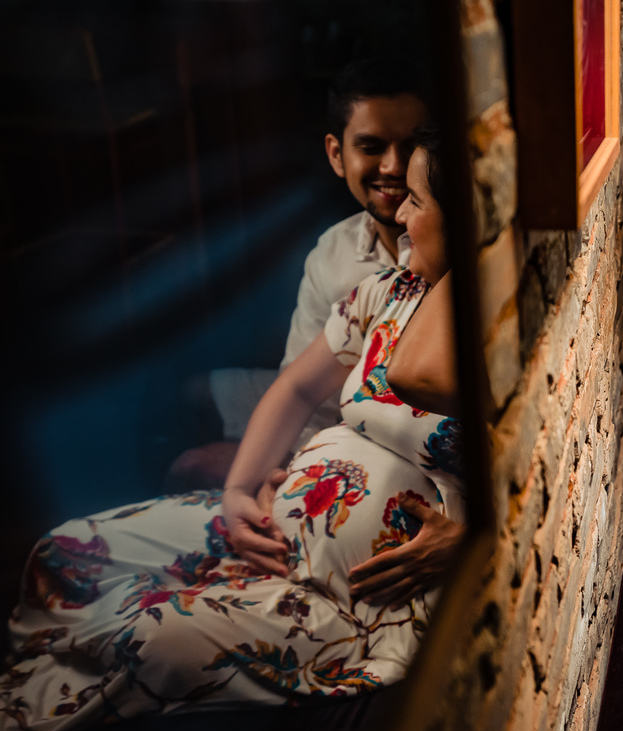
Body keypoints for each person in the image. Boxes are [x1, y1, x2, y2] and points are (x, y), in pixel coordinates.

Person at [0, 129, 464, 731]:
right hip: (273, 536)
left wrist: (469, 536)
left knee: (145, 637)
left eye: (417, 201)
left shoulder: (500, 333)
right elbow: (294, 388)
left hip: (355, 603)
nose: (399, 215)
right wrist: (240, 491)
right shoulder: (388, 292)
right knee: (61, 554)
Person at [166, 57, 430, 490]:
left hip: (373, 428)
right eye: (371, 147)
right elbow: (301, 389)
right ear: (336, 155)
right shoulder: (333, 251)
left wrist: (284, 477)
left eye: (411, 147)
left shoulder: (442, 258)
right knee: (192, 396)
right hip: (328, 399)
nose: (393, 166)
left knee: (192, 466)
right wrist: (274, 473)